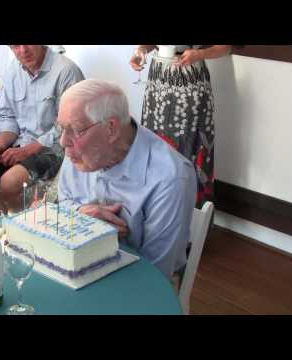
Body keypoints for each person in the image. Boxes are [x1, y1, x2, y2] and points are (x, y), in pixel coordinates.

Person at [57, 79, 197, 278]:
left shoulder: (170, 177)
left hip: (138, 280)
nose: (64, 141)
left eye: (75, 129)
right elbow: (62, 205)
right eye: (62, 128)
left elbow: (155, 274)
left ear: (111, 128)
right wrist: (81, 217)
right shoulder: (79, 151)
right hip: (78, 261)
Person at [0, 45, 84, 213]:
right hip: (21, 141)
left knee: (10, 181)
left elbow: (67, 126)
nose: (23, 51)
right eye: (15, 46)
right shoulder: (12, 71)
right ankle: (3, 218)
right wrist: (1, 143)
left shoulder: (67, 71)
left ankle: (19, 225)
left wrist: (27, 151)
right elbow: (7, 115)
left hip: (56, 148)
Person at [130, 45, 232, 208]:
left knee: (189, 147)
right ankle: (156, 212)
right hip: (158, 80)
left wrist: (199, 54)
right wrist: (141, 51)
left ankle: (194, 219)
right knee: (154, 146)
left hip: (190, 81)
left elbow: (226, 47)